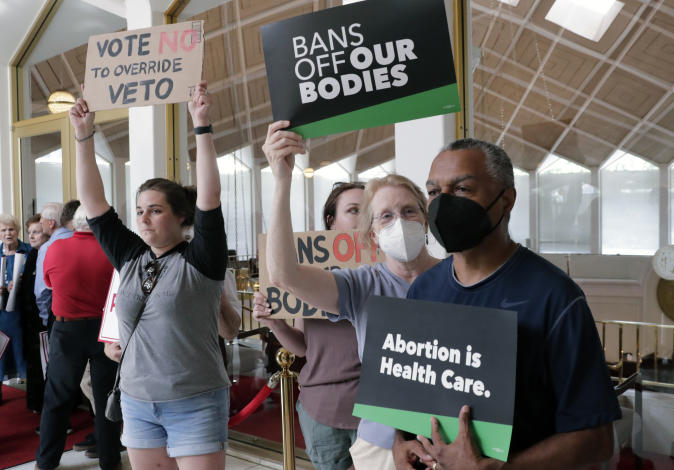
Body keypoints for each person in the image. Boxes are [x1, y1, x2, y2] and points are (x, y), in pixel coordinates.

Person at [392, 138, 621, 470]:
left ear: (506, 200)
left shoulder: (555, 297)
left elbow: (597, 439)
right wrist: (399, 444)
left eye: (462, 190)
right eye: (433, 192)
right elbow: (408, 395)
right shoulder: (423, 289)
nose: (443, 204)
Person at [254, 121, 439, 470]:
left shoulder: (457, 278)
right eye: (385, 216)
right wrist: (281, 182)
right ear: (371, 235)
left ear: (426, 220)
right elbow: (285, 275)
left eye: (408, 211)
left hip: (443, 440)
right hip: (382, 442)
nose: (398, 222)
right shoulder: (361, 285)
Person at [71, 80, 230, 470]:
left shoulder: (200, 260)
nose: (143, 217)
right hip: (137, 401)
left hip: (195, 400)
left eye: (156, 210)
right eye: (140, 209)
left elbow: (209, 198)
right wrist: (84, 137)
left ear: (181, 217)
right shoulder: (131, 255)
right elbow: (94, 204)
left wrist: (202, 127)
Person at [254, 181, 365, 470]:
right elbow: (302, 346)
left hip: (377, 410)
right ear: (331, 220)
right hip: (323, 408)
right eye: (353, 210)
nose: (362, 217)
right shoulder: (308, 274)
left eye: (369, 210)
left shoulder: (388, 270)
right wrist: (275, 322)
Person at [34, 205, 123, 470]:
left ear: (73, 224)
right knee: (106, 395)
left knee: (57, 397)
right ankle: (110, 459)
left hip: (67, 329)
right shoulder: (111, 249)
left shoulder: (56, 248)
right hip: (104, 329)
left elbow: (49, 283)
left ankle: (46, 461)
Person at [20, 214, 50, 412]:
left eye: (36, 232)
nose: (31, 236)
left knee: (46, 364)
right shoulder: (32, 254)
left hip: (44, 318)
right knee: (33, 361)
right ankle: (35, 402)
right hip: (30, 317)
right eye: (29, 232)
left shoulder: (48, 253)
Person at [0, 214, 31, 404]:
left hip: (22, 312)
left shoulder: (27, 250)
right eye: (3, 230)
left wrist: (21, 282)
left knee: (23, 352)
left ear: (17, 231)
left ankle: (31, 395)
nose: (7, 233)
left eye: (11, 229)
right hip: (1, 314)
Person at [34, 201, 75, 333]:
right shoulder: (82, 240)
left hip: (58, 315)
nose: (41, 225)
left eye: (42, 222)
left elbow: (41, 291)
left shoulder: (47, 248)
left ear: (51, 223)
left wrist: (46, 318)